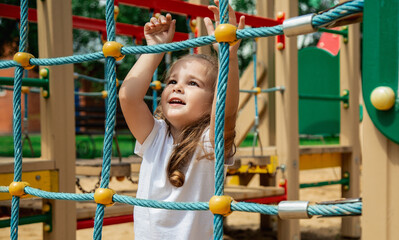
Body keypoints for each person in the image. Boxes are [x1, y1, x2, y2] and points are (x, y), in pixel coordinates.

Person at [119, 1, 245, 239]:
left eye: (192, 83)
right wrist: (155, 50)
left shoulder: (208, 144)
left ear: (212, 102)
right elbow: (128, 97)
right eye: (172, 82)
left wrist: (228, 53)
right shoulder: (154, 136)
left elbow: (226, 111)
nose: (177, 88)